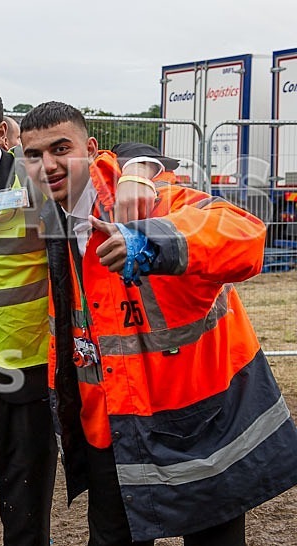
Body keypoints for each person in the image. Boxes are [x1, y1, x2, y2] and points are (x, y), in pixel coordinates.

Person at [19, 100, 297, 545]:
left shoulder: (151, 201)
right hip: (115, 432)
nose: (47, 164)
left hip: (203, 429)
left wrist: (151, 240)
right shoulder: (49, 221)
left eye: (60, 148)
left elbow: (246, 237)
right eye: (34, 155)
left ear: (90, 149)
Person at [0, 77, 162, 546]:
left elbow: (111, 160)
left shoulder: (39, 178)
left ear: (1, 132)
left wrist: (137, 168)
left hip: (25, 371)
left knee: (26, 521)